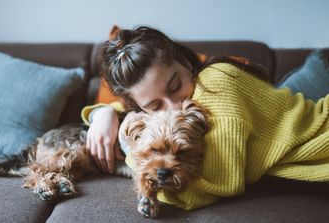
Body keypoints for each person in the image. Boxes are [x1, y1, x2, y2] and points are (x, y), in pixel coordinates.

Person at [81, 26, 329, 210]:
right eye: (156, 106)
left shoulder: (216, 82)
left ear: (186, 63)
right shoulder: (184, 100)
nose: (174, 108)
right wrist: (104, 112)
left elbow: (207, 189)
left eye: (175, 86)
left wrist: (132, 151)